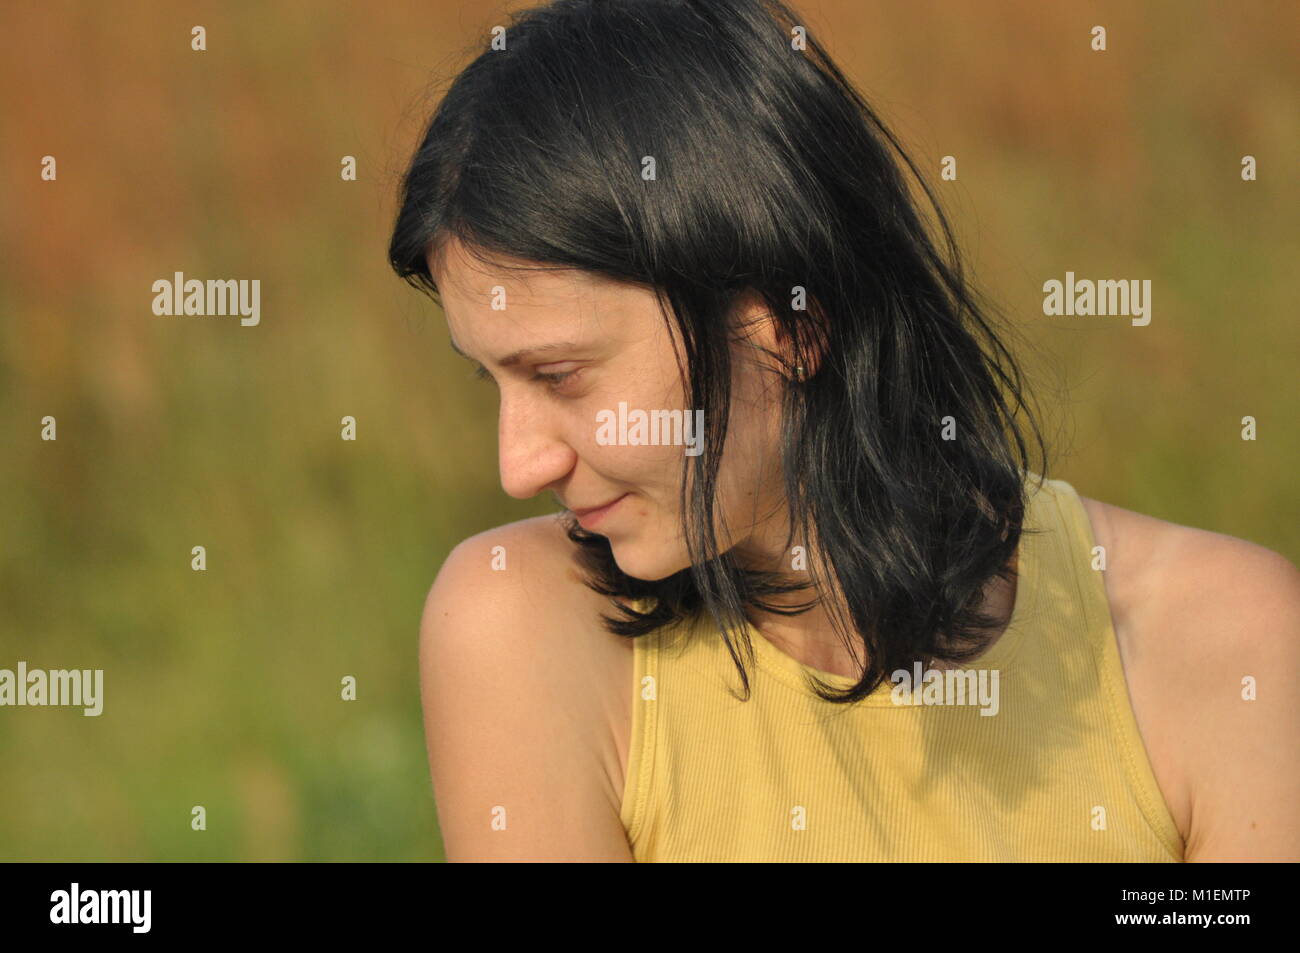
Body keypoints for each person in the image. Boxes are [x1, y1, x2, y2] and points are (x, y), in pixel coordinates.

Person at [387, 0, 1299, 861]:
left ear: (791, 323)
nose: (518, 464)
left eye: (561, 376)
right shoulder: (523, 629)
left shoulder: (1227, 643)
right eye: (491, 379)